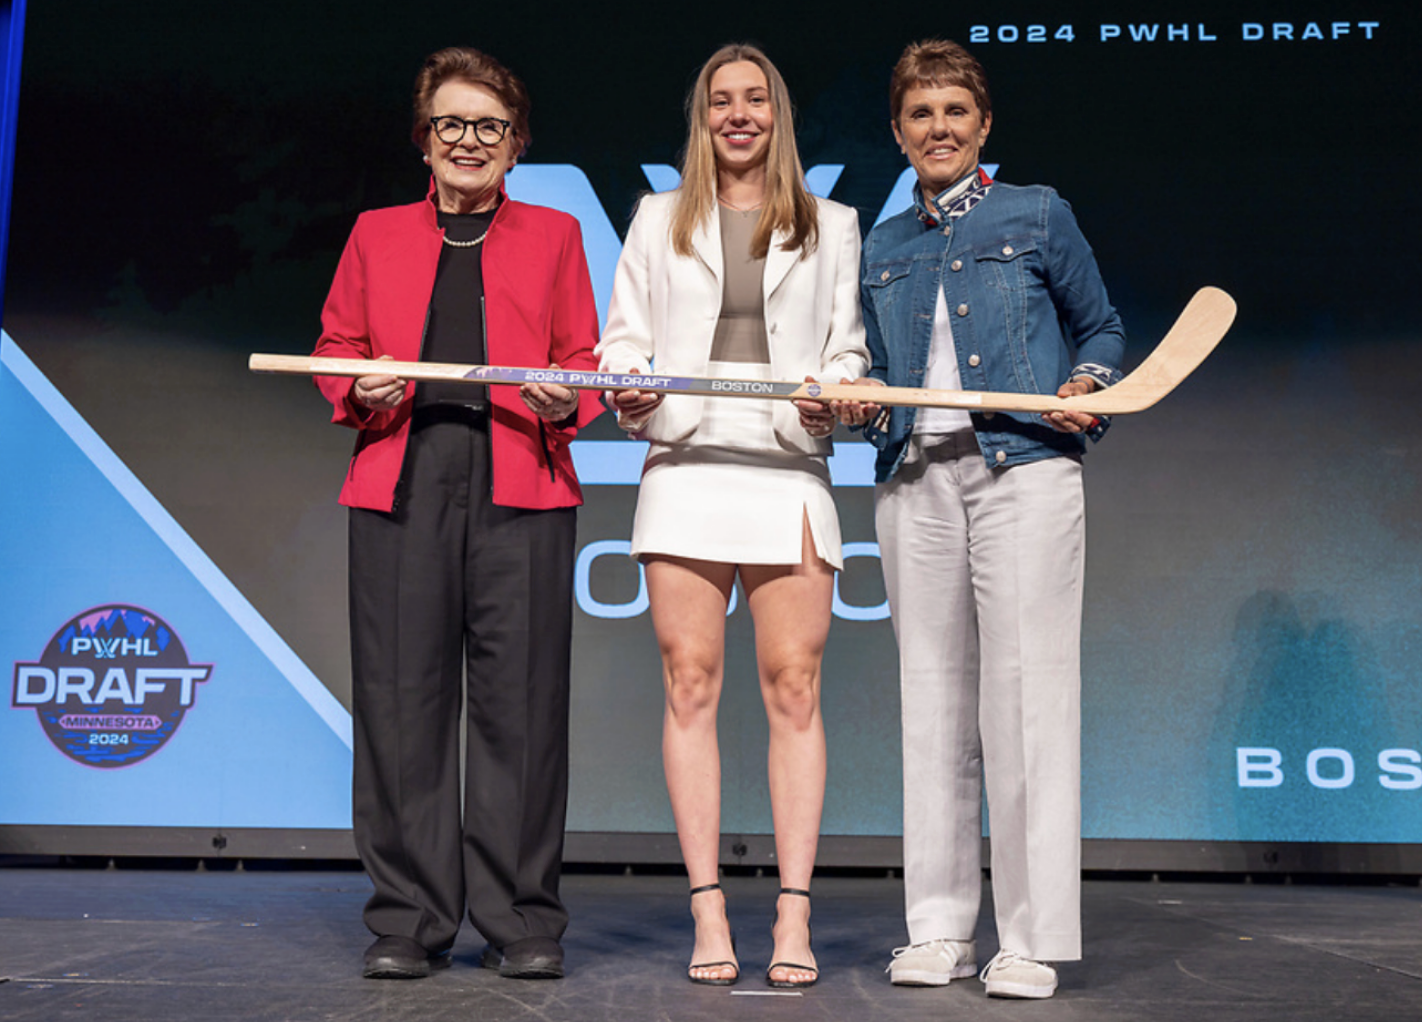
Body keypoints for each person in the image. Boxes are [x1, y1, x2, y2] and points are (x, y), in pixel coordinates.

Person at [837, 38, 1126, 999]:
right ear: (898, 131)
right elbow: (877, 376)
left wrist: (1088, 382)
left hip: (1025, 472)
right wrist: (844, 404)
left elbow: (1103, 328)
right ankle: (938, 930)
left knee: (1027, 700)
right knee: (932, 706)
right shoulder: (883, 244)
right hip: (916, 477)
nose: (939, 129)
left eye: (955, 112)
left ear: (984, 123)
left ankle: (1031, 939)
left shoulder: (1036, 214)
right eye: (920, 115)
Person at [311, 46, 601, 981]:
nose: (468, 141)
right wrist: (358, 383)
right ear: (422, 142)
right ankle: (408, 916)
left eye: (488, 126)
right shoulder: (374, 232)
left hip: (520, 476)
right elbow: (335, 345)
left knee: (521, 708)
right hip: (402, 475)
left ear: (516, 145)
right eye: (450, 124)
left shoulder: (556, 234)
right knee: (401, 702)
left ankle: (521, 919)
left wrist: (568, 398)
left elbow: (583, 359)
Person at [596, 43, 867, 989]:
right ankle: (709, 912)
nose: (739, 114)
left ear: (778, 113)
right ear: (703, 116)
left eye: (756, 99)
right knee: (690, 684)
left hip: (786, 471)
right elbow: (621, 347)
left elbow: (848, 350)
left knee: (794, 688)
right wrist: (627, 393)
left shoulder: (834, 224)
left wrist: (841, 394)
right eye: (723, 100)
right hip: (686, 463)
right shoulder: (657, 217)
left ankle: (793, 916)